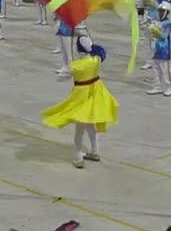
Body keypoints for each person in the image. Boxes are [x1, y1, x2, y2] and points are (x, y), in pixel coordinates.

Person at [42, 35, 119, 169]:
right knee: (90, 125)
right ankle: (95, 151)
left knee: (79, 130)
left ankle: (78, 157)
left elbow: (60, 78)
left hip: (81, 98)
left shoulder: (76, 65)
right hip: (94, 95)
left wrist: (67, 65)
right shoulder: (96, 59)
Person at [147, 3, 171, 96]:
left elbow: (164, 36)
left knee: (165, 70)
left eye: (162, 11)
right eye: (160, 11)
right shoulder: (157, 21)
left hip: (164, 50)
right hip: (156, 49)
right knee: (155, 68)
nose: (160, 13)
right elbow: (153, 36)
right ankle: (157, 86)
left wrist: (156, 30)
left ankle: (168, 87)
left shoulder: (168, 23)